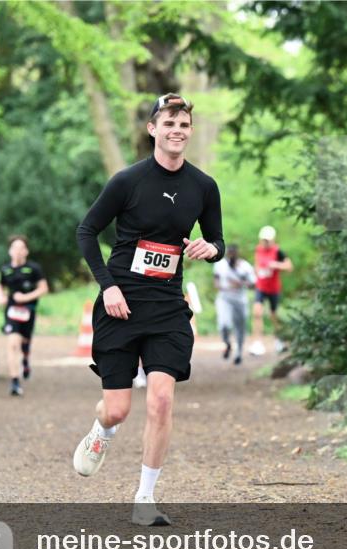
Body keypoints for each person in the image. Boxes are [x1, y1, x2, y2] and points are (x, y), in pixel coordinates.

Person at [74, 93, 224, 526]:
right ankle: (103, 430)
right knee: (118, 409)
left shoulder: (203, 186)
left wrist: (209, 247)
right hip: (120, 304)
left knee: (161, 401)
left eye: (184, 125)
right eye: (169, 123)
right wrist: (109, 288)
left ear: (189, 133)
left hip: (167, 308)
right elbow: (87, 231)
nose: (177, 130)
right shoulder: (127, 181)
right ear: (153, 130)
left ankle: (144, 498)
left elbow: (218, 241)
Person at [0, 235, 48, 396]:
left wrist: (26, 297)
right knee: (12, 344)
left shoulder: (34, 268)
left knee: (24, 343)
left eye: (21, 248)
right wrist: (0, 297)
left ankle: (25, 360)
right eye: (14, 248)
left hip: (28, 311)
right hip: (11, 311)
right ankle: (14, 382)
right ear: (10, 251)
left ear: (26, 251)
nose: (18, 251)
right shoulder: (5, 269)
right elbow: (0, 287)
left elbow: (43, 288)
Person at [249, 225, 293, 356]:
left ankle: (279, 340)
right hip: (261, 286)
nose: (265, 242)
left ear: (272, 239)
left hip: (273, 288)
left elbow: (289, 266)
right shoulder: (258, 250)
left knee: (274, 315)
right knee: (257, 312)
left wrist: (276, 265)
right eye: (263, 240)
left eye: (267, 240)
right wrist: (256, 271)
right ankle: (257, 343)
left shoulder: (278, 251)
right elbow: (257, 264)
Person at [213, 244, 256, 365]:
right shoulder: (220, 265)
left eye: (233, 253)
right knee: (224, 324)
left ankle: (239, 353)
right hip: (224, 298)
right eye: (229, 253)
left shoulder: (245, 266)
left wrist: (241, 283)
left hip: (240, 300)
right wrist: (226, 286)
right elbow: (216, 283)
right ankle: (227, 343)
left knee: (240, 327)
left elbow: (253, 284)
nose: (231, 255)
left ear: (237, 254)